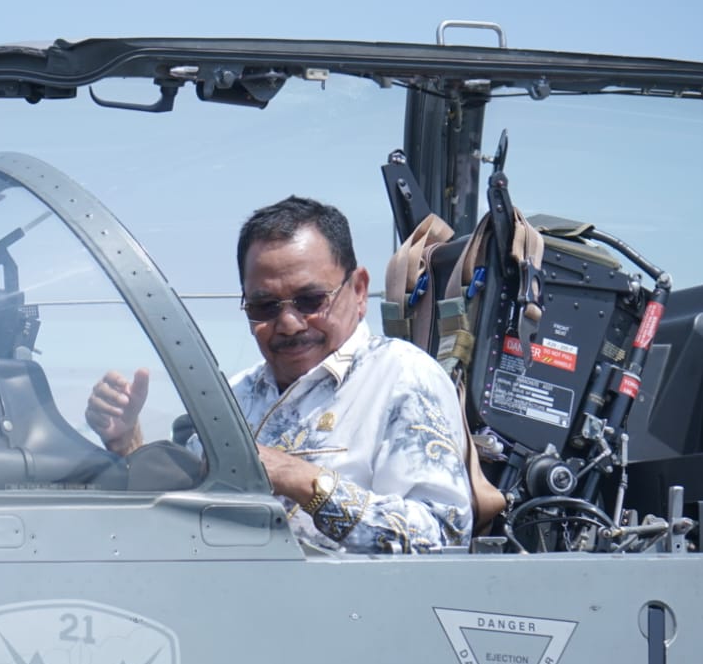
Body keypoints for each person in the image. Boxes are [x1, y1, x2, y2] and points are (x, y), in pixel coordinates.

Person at [86, 196, 473, 553]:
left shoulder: (402, 378)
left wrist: (301, 479)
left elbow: (445, 537)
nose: (288, 323)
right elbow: (184, 512)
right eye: (265, 306)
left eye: (310, 300)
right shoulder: (235, 396)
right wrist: (126, 444)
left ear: (358, 290)